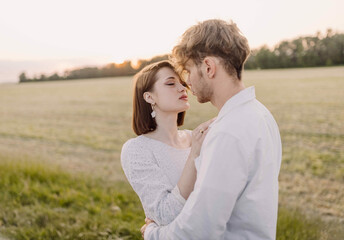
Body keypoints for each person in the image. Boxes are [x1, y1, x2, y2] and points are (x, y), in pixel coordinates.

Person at [142, 19, 282, 239]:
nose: (187, 82)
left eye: (188, 70)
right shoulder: (261, 114)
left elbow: (199, 230)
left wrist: (152, 233)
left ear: (208, 67)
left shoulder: (227, 132)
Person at [121, 60, 214, 228]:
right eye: (171, 83)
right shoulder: (137, 150)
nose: (182, 88)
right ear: (149, 97)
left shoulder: (196, 138)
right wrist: (194, 154)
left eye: (182, 83)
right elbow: (165, 215)